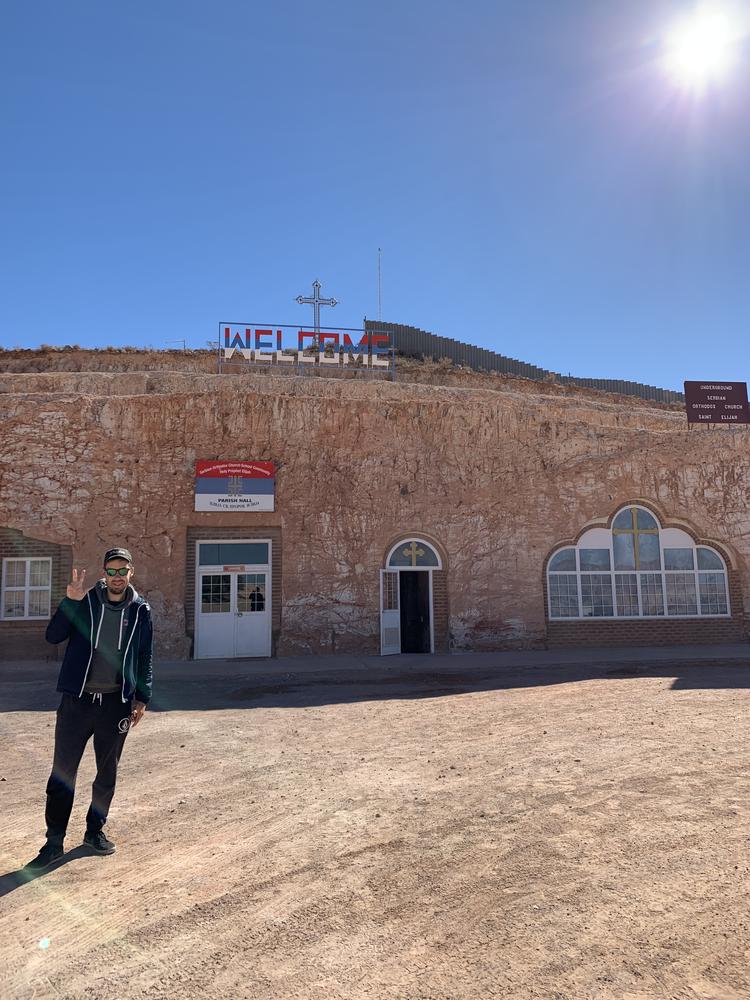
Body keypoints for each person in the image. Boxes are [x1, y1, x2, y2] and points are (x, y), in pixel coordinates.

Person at [25, 548, 154, 872]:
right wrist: (69, 601)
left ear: (131, 573)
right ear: (104, 573)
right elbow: (53, 636)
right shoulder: (85, 602)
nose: (117, 576)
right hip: (77, 704)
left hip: (116, 705)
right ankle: (53, 842)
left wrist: (142, 697)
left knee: (106, 774)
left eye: (122, 570)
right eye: (111, 571)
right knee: (62, 775)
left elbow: (144, 656)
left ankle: (94, 832)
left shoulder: (141, 610)